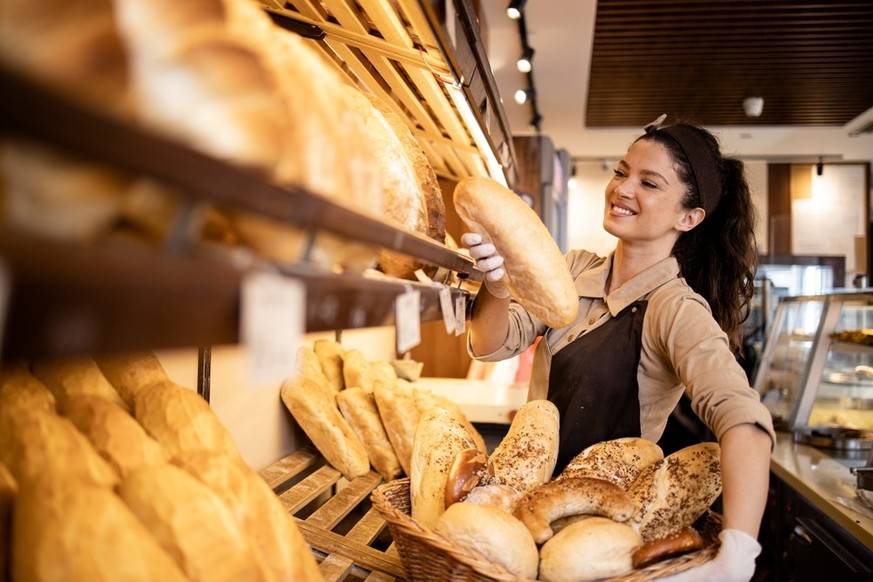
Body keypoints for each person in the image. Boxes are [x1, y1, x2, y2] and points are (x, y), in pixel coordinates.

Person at [461, 115, 775, 582]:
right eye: (621, 171)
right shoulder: (572, 270)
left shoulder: (676, 309)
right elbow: (490, 346)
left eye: (648, 182)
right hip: (527, 504)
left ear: (688, 218)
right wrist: (497, 284)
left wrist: (738, 553)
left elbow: (744, 421)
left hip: (597, 537)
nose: (623, 189)